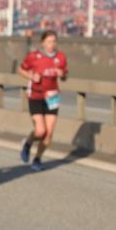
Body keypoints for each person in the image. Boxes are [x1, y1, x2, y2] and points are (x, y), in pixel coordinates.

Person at [19, 30, 68, 172]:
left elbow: (65, 75)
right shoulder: (34, 56)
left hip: (52, 97)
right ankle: (28, 144)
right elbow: (20, 70)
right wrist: (31, 76)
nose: (51, 45)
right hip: (36, 95)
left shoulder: (61, 57)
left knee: (49, 134)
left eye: (54, 41)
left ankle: (37, 158)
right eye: (49, 42)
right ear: (42, 43)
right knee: (40, 131)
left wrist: (62, 74)